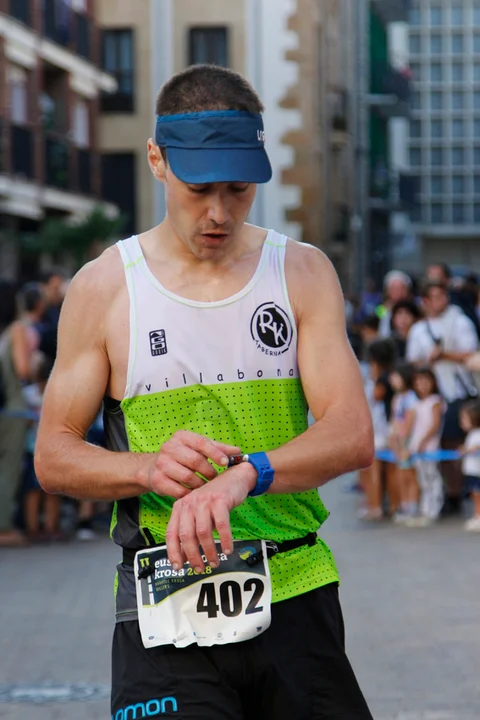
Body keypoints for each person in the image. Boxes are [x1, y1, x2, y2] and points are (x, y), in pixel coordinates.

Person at [35, 65, 374, 719]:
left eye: (239, 189)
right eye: (198, 189)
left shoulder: (301, 272)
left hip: (295, 587)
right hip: (164, 600)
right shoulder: (105, 286)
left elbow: (352, 432)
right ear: (157, 161)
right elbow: (53, 455)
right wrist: (146, 468)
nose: (219, 212)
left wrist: (248, 474)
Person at [406, 279, 478, 515]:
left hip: (459, 393)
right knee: (440, 446)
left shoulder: (460, 321)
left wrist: (443, 354)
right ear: (425, 301)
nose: (440, 301)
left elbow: (471, 353)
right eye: (435, 297)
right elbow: (413, 361)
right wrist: (429, 360)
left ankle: (460, 493)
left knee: (456, 445)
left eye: (443, 296)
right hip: (431, 396)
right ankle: (450, 494)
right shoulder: (418, 329)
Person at [0, 282, 45, 547]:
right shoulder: (17, 330)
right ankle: (4, 527)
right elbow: (23, 369)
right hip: (14, 409)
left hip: (3, 407)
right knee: (9, 468)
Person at [22, 355, 62, 542]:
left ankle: (50, 527)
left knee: (52, 490)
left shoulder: (56, 391)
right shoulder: (28, 394)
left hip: (52, 448)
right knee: (34, 490)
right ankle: (34, 529)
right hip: (34, 448)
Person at [359, 338, 396, 520]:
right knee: (386, 470)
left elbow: (374, 397)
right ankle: (388, 505)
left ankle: (375, 506)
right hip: (383, 428)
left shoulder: (381, 379)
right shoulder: (393, 376)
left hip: (380, 429)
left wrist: (372, 379)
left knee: (372, 469)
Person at [407, 368, 444, 528]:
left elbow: (435, 424)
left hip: (430, 446)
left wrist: (424, 441)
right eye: (418, 381)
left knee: (432, 477)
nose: (421, 385)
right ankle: (425, 509)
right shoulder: (416, 404)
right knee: (423, 479)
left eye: (425, 381)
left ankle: (434, 509)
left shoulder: (435, 401)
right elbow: (411, 426)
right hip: (417, 446)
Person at [388, 363, 418, 522]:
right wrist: (393, 440)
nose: (392, 379)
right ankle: (405, 505)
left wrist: (404, 441)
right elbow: (395, 420)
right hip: (399, 442)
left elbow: (410, 420)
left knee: (409, 475)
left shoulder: (411, 398)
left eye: (396, 376)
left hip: (408, 442)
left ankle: (413, 507)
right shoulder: (398, 398)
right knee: (401, 474)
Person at [38, 267, 68, 363]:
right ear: (44, 288)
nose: (58, 292)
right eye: (55, 288)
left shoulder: (59, 308)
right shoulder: (38, 312)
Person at [459, 400, 480, 532]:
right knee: (474, 494)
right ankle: (477, 515)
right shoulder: (471, 434)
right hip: (471, 471)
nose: (462, 422)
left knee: (477, 494)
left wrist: (469, 449)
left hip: (477, 471)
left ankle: (479, 516)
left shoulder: (477, 434)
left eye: (464, 418)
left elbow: (476, 447)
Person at [378, 270, 413, 338]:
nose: (398, 292)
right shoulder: (382, 308)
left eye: (401, 288)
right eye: (394, 289)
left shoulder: (413, 308)